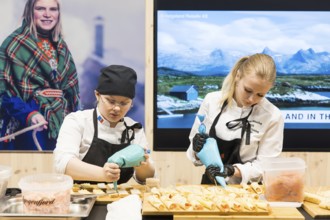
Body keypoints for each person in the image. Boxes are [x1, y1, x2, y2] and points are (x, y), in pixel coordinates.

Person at [186, 53, 284, 185]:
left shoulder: (273, 116)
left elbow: (266, 167)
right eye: (247, 90)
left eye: (260, 95)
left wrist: (232, 170)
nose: (251, 99)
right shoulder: (212, 101)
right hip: (209, 189)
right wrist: (197, 148)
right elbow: (195, 157)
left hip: (249, 193)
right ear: (238, 76)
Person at [53, 65, 155, 185]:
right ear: (97, 95)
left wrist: (143, 164)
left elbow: (145, 179)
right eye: (111, 101)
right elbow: (62, 164)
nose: (117, 108)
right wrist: (102, 174)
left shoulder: (134, 129)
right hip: (81, 199)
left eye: (124, 103)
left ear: (131, 103)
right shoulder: (77, 121)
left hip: (119, 200)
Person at [0, 0, 79, 151]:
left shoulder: (62, 47)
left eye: (53, 9)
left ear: (58, 14)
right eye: (41, 8)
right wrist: (29, 114)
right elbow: (4, 94)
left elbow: (71, 93)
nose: (47, 14)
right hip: (30, 123)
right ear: (30, 11)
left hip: (62, 123)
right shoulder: (13, 44)